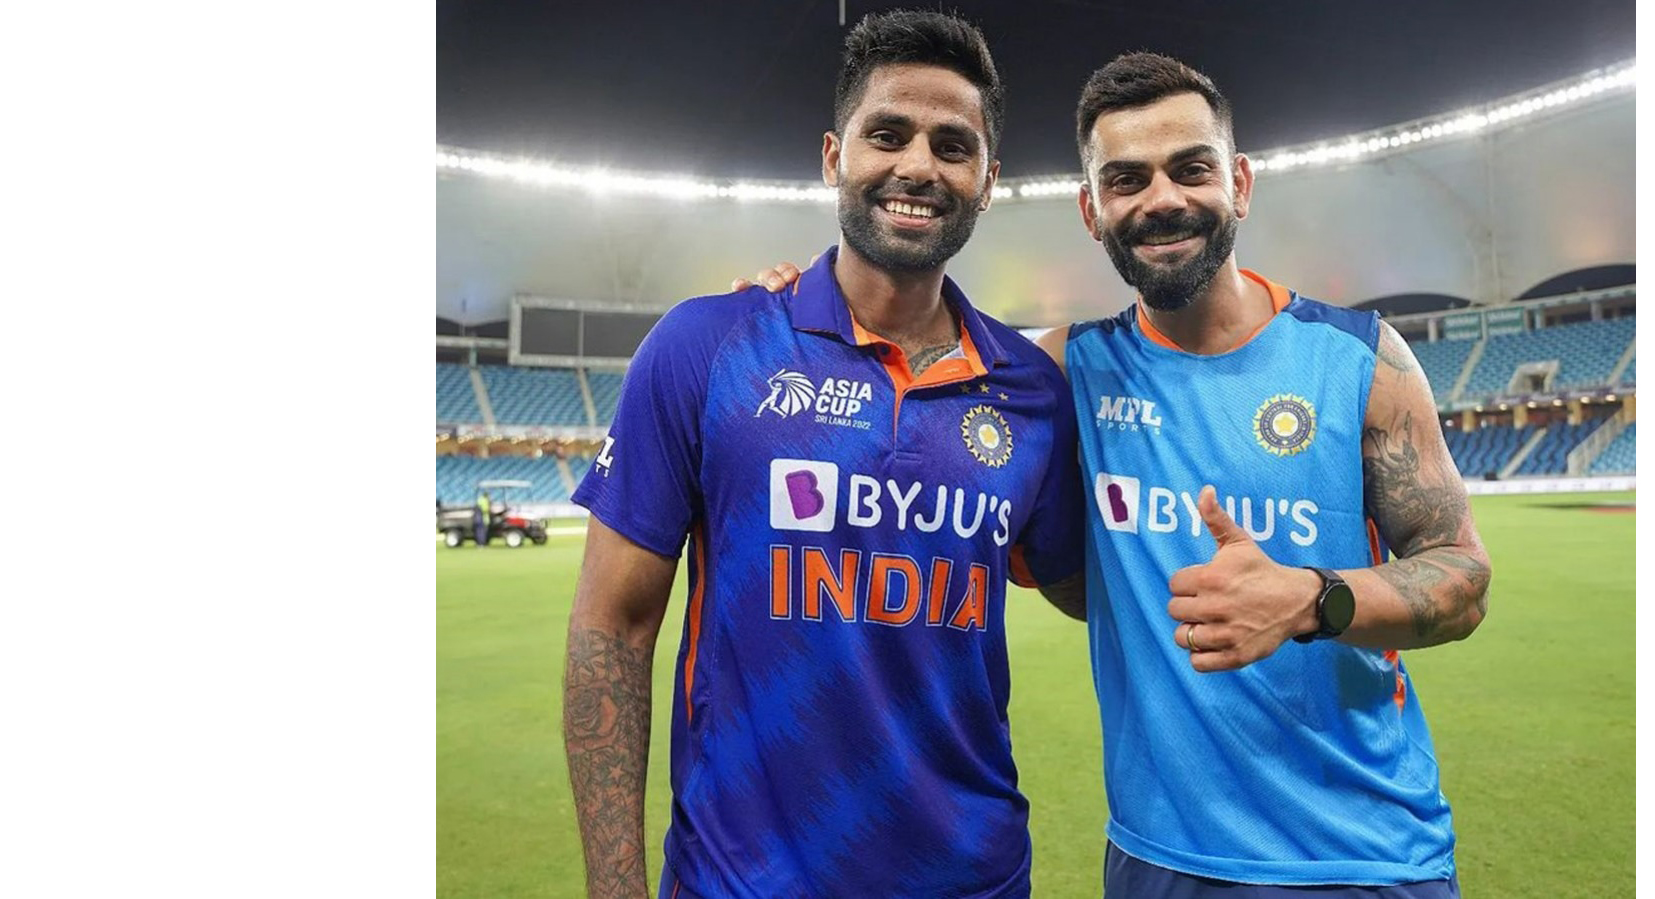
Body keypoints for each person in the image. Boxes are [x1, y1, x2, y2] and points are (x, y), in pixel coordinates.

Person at [737, 51, 1491, 899]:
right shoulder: (1054, 376)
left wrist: (1312, 598)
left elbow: (1462, 576)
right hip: (1156, 859)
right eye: (1126, 179)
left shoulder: (1361, 359)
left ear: (1239, 183)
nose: (1161, 199)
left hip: (1367, 856)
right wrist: (783, 314)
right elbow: (899, 373)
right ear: (1091, 210)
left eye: (1191, 169)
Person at [562, 10, 1085, 899]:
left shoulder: (1030, 388)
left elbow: (1086, 588)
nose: (918, 165)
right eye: (888, 134)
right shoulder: (707, 345)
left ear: (988, 181)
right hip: (743, 882)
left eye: (952, 146)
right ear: (834, 156)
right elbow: (612, 628)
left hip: (975, 879)